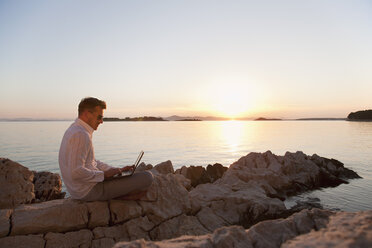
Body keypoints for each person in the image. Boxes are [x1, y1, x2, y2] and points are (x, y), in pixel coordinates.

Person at [58, 97, 153, 201]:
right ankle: (120, 198)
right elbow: (76, 172)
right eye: (99, 117)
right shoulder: (81, 135)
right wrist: (104, 175)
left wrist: (116, 170)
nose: (101, 121)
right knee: (147, 177)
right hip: (89, 191)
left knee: (133, 174)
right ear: (87, 114)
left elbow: (91, 162)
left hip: (80, 189)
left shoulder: (74, 129)